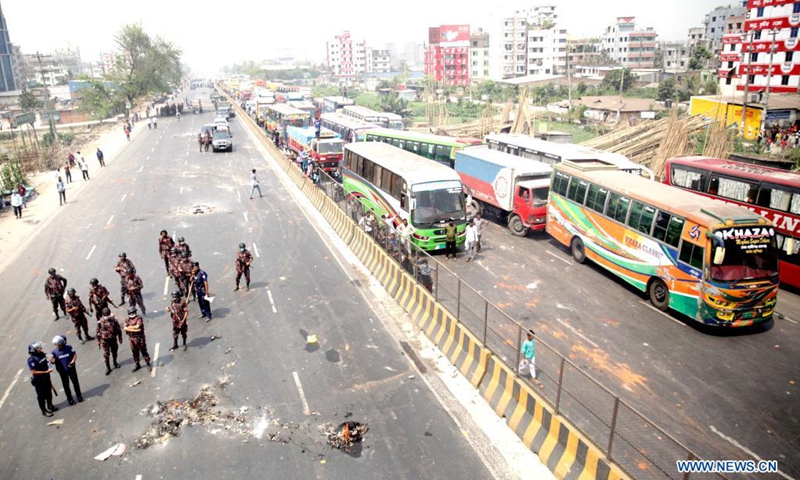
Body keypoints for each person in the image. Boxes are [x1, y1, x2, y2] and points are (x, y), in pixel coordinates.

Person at [27, 342, 58, 417]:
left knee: (48, 393)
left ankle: (50, 405)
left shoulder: (42, 354)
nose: (40, 349)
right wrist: (45, 372)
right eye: (38, 348)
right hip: (39, 380)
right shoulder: (31, 360)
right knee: (41, 396)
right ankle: (44, 411)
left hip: (46, 377)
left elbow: (47, 362)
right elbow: (33, 371)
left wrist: (51, 362)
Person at [50, 335, 82, 404]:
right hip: (62, 371)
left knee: (75, 382)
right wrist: (52, 361)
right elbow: (52, 361)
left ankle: (79, 395)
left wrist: (73, 361)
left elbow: (74, 355)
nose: (58, 345)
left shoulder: (69, 348)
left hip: (71, 369)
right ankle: (69, 398)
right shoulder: (54, 352)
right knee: (66, 385)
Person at [123, 306, 151, 373]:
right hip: (132, 339)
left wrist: (129, 328)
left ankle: (148, 364)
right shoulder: (127, 319)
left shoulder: (139, 318)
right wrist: (134, 329)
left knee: (144, 351)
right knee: (135, 353)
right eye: (131, 313)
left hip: (140, 338)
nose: (132, 314)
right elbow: (125, 328)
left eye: (133, 312)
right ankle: (137, 364)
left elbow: (137, 326)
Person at [96, 308, 123, 375]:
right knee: (106, 354)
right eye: (106, 314)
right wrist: (98, 341)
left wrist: (120, 337)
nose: (107, 316)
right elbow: (98, 332)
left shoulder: (114, 320)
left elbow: (118, 328)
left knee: (114, 351)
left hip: (113, 339)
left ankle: (115, 362)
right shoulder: (100, 322)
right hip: (105, 340)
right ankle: (108, 368)